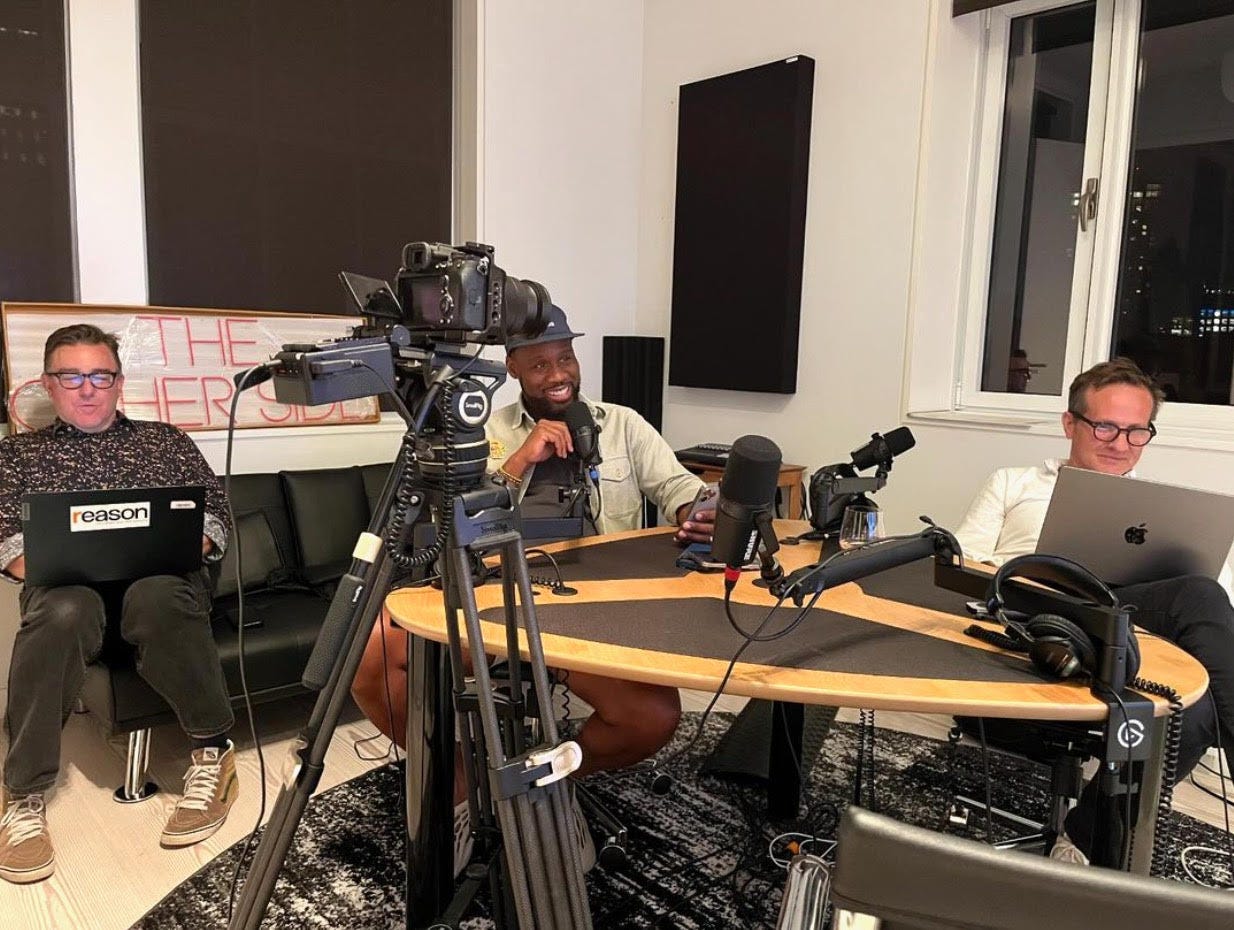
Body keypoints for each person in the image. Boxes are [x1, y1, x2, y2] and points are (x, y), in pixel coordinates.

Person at [350, 306, 715, 863]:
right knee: (372, 654)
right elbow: (451, 522)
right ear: (513, 368)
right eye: (540, 364)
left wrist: (696, 511)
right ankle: (465, 780)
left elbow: (677, 488)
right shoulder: (483, 430)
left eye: (566, 358)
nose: (558, 373)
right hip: (494, 603)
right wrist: (520, 461)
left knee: (654, 717)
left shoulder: (623, 424)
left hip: (598, 612)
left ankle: (548, 779)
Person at [955, 357, 1234, 864]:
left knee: (1196, 707)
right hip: (1041, 621)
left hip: (1130, 639)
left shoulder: (1164, 511)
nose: (1121, 444)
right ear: (1070, 423)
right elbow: (963, 564)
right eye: (1106, 426)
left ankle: (1081, 837)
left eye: (1136, 431)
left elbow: (1213, 611)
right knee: (1198, 599)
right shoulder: (1015, 482)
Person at [0, 324, 237, 884]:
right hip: (66, 596)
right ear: (48, 384)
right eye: (71, 376)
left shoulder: (165, 442)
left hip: (160, 589)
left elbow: (215, 517)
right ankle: (22, 794)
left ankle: (213, 753)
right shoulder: (17, 455)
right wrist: (72, 564)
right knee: (65, 610)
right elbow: (7, 543)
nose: (87, 388)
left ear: (118, 381)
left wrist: (174, 545)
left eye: (100, 375)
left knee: (155, 596)